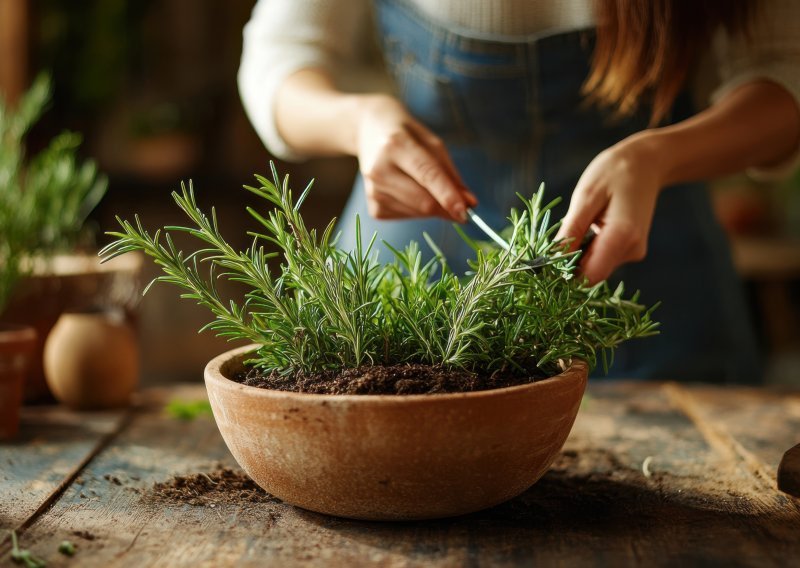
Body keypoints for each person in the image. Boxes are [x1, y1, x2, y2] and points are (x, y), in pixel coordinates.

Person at [238, 0, 800, 383]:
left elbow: (784, 78)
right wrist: (357, 122)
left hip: (641, 264)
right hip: (411, 264)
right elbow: (278, 60)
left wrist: (660, 155)